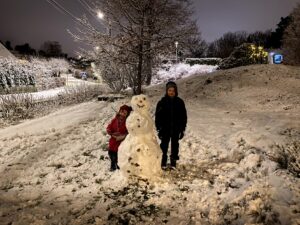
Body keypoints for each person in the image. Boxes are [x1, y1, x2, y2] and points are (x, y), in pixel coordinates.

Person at [155, 81, 187, 170]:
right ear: (166, 91)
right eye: (169, 90)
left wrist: (182, 129)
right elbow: (158, 117)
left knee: (175, 145)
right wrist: (159, 129)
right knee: (164, 145)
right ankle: (163, 161)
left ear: (176, 91)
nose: (171, 92)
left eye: (173, 90)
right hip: (165, 129)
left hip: (176, 129)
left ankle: (173, 162)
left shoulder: (180, 102)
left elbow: (184, 116)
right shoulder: (162, 102)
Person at [106, 105, 132, 171]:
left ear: (127, 114)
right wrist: (110, 131)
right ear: (119, 111)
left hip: (121, 141)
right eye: (122, 111)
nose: (123, 113)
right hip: (113, 141)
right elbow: (109, 127)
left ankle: (118, 166)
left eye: (125, 113)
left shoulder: (128, 122)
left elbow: (130, 131)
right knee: (111, 153)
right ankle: (112, 165)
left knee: (119, 155)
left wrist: (123, 135)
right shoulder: (115, 120)